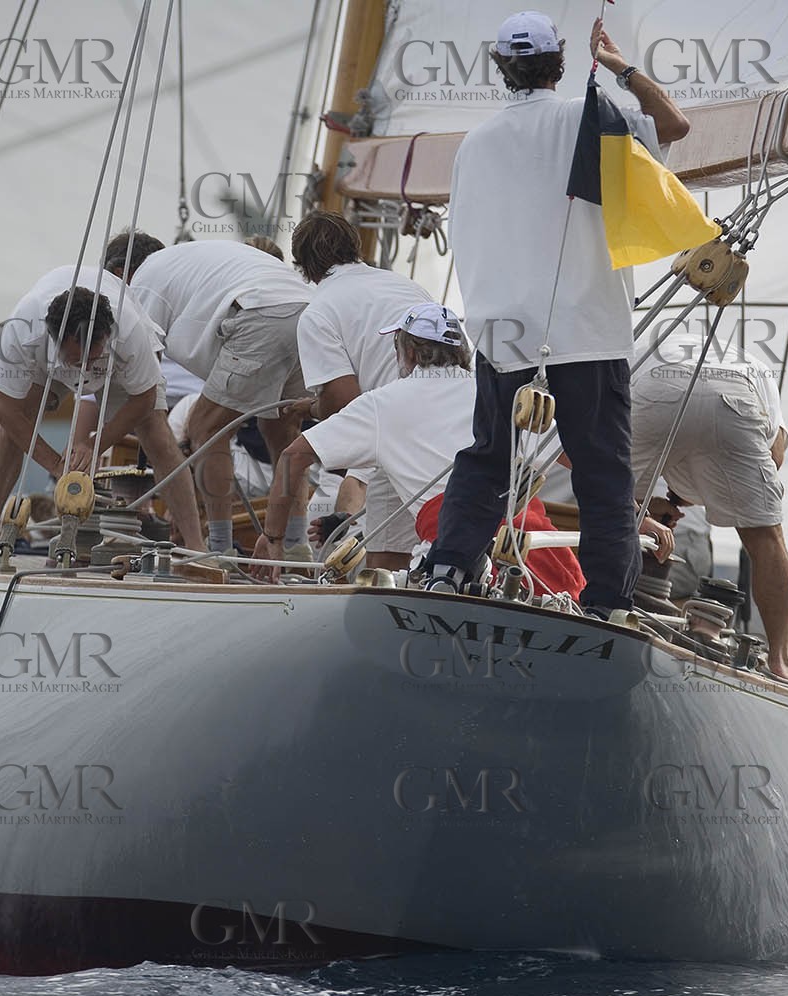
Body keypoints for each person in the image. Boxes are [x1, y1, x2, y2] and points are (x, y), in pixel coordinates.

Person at [423, 10, 690, 615]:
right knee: (602, 473)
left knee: (487, 459)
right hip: (587, 332)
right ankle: (607, 606)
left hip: (503, 334)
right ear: (561, 64)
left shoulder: (475, 144)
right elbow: (675, 124)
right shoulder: (592, 114)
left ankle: (447, 571)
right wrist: (623, 68)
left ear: (500, 69)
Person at [256, 302, 671, 595]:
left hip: (456, 554)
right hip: (541, 556)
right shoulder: (507, 395)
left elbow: (294, 457)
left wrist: (273, 538)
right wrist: (638, 520)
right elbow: (584, 459)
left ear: (410, 352)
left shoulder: (383, 403)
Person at [0, 263, 205, 564]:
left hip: (116, 366)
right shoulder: (19, 332)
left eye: (91, 357)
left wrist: (94, 445)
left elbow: (143, 399)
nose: (85, 369)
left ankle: (196, 547)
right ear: (53, 339)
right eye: (77, 359)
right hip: (45, 367)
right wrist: (56, 465)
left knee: (157, 433)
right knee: (9, 431)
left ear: (107, 334)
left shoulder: (130, 330)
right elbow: (8, 413)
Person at [123, 237, 314, 561]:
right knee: (281, 429)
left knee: (206, 429)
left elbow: (143, 382)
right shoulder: (188, 263)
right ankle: (296, 546)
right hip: (308, 313)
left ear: (119, 274)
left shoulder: (139, 287)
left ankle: (218, 550)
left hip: (259, 314)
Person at [631, 335, 788, 678]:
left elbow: (590, 462)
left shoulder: (641, 344)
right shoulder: (760, 374)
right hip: (735, 396)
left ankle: (607, 615)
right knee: (766, 539)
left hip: (653, 390)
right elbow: (774, 456)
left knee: (608, 503)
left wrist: (636, 510)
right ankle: (781, 663)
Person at [290, 210, 436, 570]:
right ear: (355, 247)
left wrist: (307, 409)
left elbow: (345, 405)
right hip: (455, 413)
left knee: (385, 563)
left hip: (396, 426)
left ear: (304, 267)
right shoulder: (407, 286)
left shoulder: (319, 311)